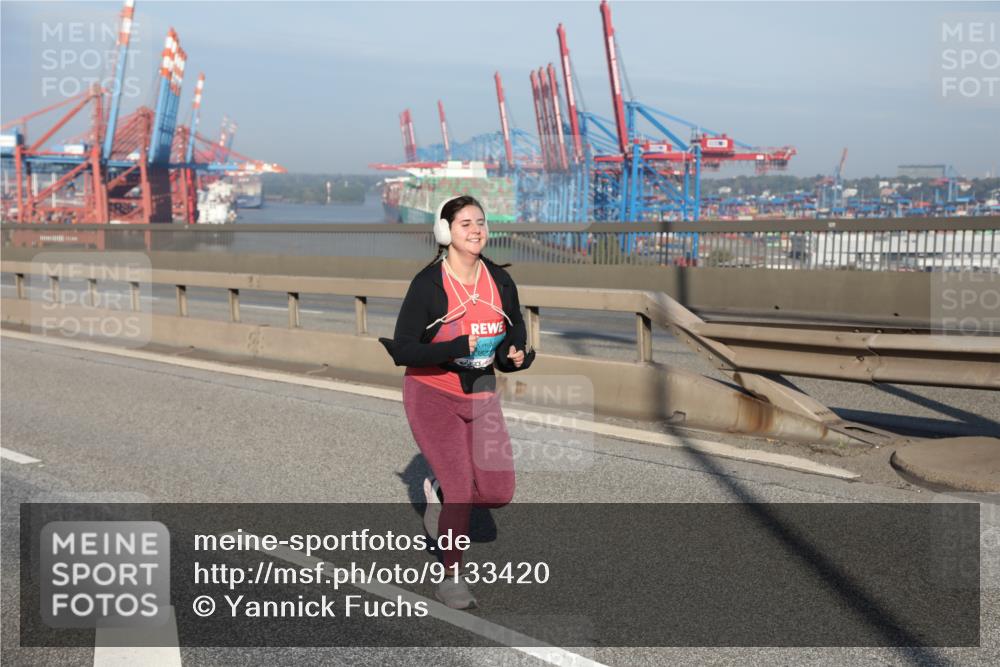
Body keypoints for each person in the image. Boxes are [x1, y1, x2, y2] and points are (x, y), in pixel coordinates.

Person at [379, 194, 535, 610]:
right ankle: (451, 578)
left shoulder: (499, 280)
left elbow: (513, 328)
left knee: (499, 491)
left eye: (481, 222)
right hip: (433, 393)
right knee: (463, 490)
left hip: (481, 391)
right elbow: (405, 349)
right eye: (465, 223)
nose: (476, 230)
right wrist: (453, 347)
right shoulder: (429, 285)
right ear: (446, 232)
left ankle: (444, 494)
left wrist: (516, 355)